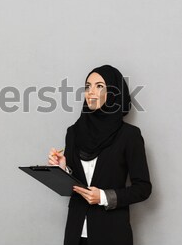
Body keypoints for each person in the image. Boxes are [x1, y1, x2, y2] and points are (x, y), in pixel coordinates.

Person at [48, 65, 152, 245]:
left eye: (99, 86)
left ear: (113, 93)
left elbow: (143, 188)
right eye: (88, 86)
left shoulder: (128, 135)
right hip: (76, 232)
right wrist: (62, 169)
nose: (91, 92)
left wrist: (104, 197)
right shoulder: (73, 132)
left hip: (111, 234)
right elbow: (75, 188)